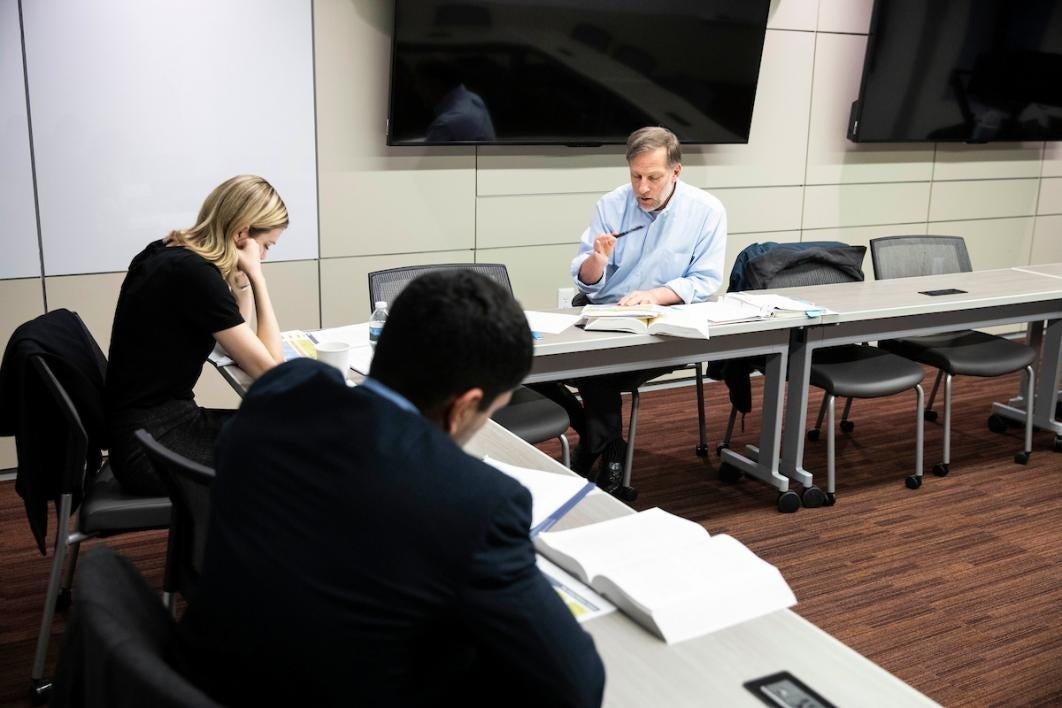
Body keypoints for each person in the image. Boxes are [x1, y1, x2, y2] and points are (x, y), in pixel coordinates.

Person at [174, 271, 606, 708]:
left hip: (206, 679)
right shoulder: (476, 502)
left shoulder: (281, 392)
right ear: (463, 407)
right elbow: (577, 686)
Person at [105, 175, 287, 495]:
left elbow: (233, 342)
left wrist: (241, 283)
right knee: (294, 452)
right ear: (242, 234)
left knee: (285, 434)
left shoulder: (168, 253)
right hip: (152, 447)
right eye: (266, 247)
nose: (265, 257)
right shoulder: (195, 276)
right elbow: (271, 372)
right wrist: (258, 280)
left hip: (147, 429)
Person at [565, 126, 727, 485]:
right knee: (541, 366)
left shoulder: (706, 211)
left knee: (597, 371)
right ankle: (603, 441)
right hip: (606, 317)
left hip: (665, 324)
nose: (643, 188)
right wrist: (598, 261)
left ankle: (602, 449)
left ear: (676, 172)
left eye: (653, 177)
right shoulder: (611, 205)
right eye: (636, 176)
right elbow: (586, 279)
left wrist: (655, 295)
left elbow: (705, 280)